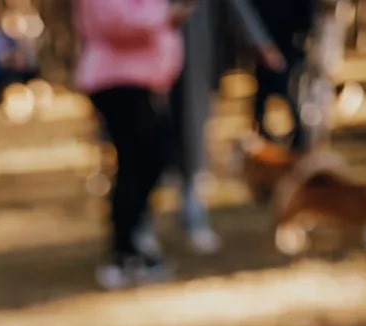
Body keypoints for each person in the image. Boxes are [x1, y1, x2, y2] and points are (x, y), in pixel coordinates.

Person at [139, 0, 285, 256]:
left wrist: (259, 42)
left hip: (192, 54)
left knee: (192, 136)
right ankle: (141, 226)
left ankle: (192, 214)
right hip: (141, 59)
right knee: (146, 143)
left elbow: (233, 5)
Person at [74, 0, 188, 290]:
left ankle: (135, 243)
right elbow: (117, 24)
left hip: (142, 80)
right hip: (117, 80)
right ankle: (123, 253)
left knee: (151, 161)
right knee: (137, 165)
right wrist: (165, 15)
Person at [251, 0, 316, 150]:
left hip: (288, 42)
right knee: (264, 94)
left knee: (287, 92)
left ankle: (299, 141)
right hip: (266, 36)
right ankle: (263, 140)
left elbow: (306, 13)